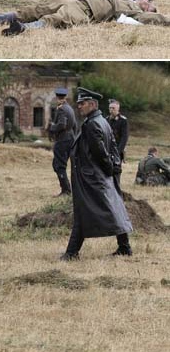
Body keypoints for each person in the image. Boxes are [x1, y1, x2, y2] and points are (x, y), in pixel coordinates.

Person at [61, 88, 133, 260]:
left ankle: (71, 253)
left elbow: (101, 152)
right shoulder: (101, 120)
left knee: (82, 212)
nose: (79, 107)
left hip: (92, 177)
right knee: (113, 208)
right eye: (78, 103)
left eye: (82, 103)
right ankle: (124, 247)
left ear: (92, 104)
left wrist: (109, 169)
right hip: (98, 176)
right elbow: (113, 147)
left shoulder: (93, 124)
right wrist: (113, 169)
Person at [0, 0, 169, 37]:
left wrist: (162, 18)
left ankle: (23, 29)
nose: (146, 1)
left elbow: (156, 19)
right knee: (35, 8)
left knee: (57, 18)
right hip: (77, 0)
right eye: (146, 0)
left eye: (149, 5)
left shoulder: (134, 13)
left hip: (86, 12)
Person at [47, 88, 77, 196]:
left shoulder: (61, 109)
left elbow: (62, 125)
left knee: (59, 165)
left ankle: (66, 190)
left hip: (63, 139)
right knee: (61, 164)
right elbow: (75, 126)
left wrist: (52, 127)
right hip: (70, 138)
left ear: (57, 97)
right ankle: (67, 189)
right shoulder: (70, 108)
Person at [107, 100, 129, 164]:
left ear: (118, 109)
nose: (111, 110)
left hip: (118, 148)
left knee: (116, 169)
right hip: (108, 149)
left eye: (113, 108)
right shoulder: (106, 119)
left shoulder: (123, 120)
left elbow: (124, 137)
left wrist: (118, 151)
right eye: (110, 108)